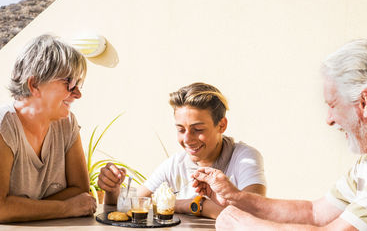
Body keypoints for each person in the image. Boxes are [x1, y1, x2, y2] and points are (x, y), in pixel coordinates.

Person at [192, 39, 367, 230]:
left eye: (333, 105)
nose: (329, 119)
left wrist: (241, 224)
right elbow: (315, 213)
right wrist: (234, 197)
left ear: (364, 102)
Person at [98, 82, 266, 219]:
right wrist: (112, 190)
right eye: (180, 129)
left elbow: (254, 214)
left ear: (221, 125)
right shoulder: (175, 164)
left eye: (198, 129)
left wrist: (194, 204)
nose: (187, 139)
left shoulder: (244, 158)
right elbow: (133, 205)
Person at [0, 35, 96, 223]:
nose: (78, 94)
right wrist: (66, 207)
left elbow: (81, 192)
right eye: (69, 82)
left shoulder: (67, 124)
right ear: (34, 84)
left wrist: (22, 207)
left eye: (79, 84)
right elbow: (1, 209)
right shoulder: (5, 127)